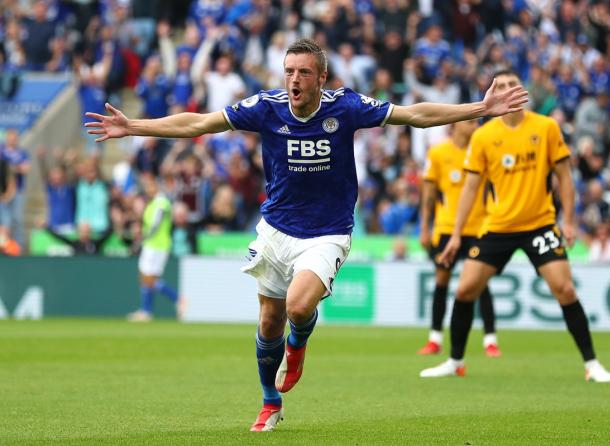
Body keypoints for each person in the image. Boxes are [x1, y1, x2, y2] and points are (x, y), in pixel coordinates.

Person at [84, 39, 528, 431]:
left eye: (303, 73)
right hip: (276, 229)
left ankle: (298, 347)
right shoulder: (265, 107)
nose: (294, 80)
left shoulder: (346, 107)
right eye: (289, 71)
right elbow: (198, 123)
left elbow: (414, 115)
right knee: (268, 320)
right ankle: (269, 400)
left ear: (321, 78)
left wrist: (480, 109)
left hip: (328, 231)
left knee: (298, 306)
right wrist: (136, 127)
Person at [420, 69, 610, 383]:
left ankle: (592, 364)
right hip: (498, 226)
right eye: (501, 86)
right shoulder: (483, 136)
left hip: (540, 224)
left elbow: (564, 176)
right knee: (466, 288)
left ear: (522, 92)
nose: (508, 90)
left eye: (513, 85)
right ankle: (455, 361)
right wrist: (456, 235)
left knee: (564, 288)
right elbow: (470, 188)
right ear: (493, 93)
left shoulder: (546, 127)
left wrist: (569, 220)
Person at [418, 120, 500, 357]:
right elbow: (429, 194)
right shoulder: (438, 152)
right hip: (446, 228)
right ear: (456, 126)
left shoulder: (482, 151)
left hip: (479, 228)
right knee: (441, 281)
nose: (475, 126)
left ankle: (490, 340)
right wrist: (424, 227)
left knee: (481, 284)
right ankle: (434, 339)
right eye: (470, 122)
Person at [127, 174, 185, 322]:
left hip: (158, 245)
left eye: (151, 185)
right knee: (145, 278)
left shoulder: (161, 202)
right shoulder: (152, 203)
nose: (148, 189)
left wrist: (142, 239)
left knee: (149, 278)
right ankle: (147, 310)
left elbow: (156, 223)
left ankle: (177, 299)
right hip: (151, 245)